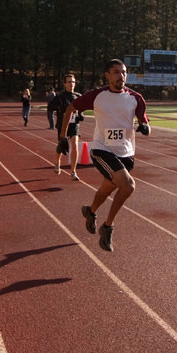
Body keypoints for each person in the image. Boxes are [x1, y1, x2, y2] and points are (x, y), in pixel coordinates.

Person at [58, 59, 150, 252]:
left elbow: (144, 120)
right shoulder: (97, 96)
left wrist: (145, 127)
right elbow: (70, 108)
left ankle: (90, 211)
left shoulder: (135, 98)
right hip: (102, 150)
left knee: (106, 190)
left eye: (124, 72)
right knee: (128, 186)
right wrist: (63, 137)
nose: (121, 76)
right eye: (116, 72)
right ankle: (107, 227)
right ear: (107, 75)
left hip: (126, 153)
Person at [49, 74, 82, 180]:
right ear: (65, 84)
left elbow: (82, 107)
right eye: (69, 82)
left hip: (74, 124)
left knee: (75, 144)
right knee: (62, 146)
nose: (71, 84)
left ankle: (73, 171)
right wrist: (60, 108)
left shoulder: (78, 96)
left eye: (73, 82)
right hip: (63, 125)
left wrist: (80, 114)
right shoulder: (60, 97)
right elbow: (50, 107)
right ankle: (57, 161)